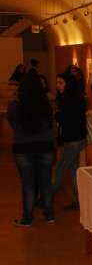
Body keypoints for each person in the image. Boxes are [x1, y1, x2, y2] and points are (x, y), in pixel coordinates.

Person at [8, 72, 55, 226]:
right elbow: (51, 125)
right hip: (45, 146)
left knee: (28, 184)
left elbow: (13, 125)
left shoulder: (14, 106)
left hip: (23, 147)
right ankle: (49, 215)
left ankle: (27, 218)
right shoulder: (46, 105)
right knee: (46, 182)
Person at [53, 73, 87, 210]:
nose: (58, 85)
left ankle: (46, 197)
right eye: (57, 82)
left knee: (60, 169)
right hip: (77, 139)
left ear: (68, 84)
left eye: (61, 83)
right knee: (73, 171)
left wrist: (57, 115)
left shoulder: (70, 100)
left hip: (73, 141)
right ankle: (79, 200)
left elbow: (66, 119)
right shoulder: (75, 98)